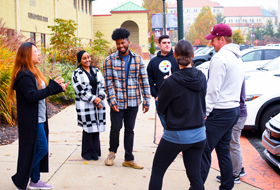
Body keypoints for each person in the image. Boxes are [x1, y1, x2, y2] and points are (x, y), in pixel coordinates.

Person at [8, 42, 68, 190]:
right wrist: (51, 88)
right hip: (31, 120)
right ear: (27, 54)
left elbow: (40, 94)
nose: (39, 53)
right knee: (41, 149)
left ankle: (35, 180)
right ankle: (21, 177)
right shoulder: (24, 75)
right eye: (36, 51)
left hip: (39, 118)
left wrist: (56, 89)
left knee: (36, 149)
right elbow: (32, 96)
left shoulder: (32, 71)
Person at [149, 39, 207, 190]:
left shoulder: (170, 82)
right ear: (193, 54)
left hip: (177, 134)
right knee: (195, 176)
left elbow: (160, 108)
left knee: (157, 172)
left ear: (174, 55)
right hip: (199, 134)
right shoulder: (201, 76)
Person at [198, 23, 244, 190]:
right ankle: (227, 186)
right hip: (233, 110)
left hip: (220, 112)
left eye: (213, 40)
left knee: (203, 150)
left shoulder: (219, 58)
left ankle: (196, 187)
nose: (211, 43)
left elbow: (213, 90)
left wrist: (205, 112)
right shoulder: (238, 57)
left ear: (222, 39)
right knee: (223, 151)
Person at [103, 28, 151, 169]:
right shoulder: (109, 60)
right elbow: (108, 83)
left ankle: (129, 158)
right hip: (117, 102)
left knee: (130, 130)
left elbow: (144, 81)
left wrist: (146, 100)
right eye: (118, 44)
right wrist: (112, 101)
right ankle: (112, 153)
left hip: (133, 101)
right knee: (115, 128)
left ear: (128, 42)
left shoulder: (137, 59)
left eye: (123, 43)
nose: (120, 46)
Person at [72, 50, 106, 161]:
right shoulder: (77, 73)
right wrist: (94, 99)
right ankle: (87, 153)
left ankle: (95, 152)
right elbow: (80, 91)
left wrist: (100, 98)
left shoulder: (96, 70)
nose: (87, 60)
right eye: (84, 58)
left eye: (88, 57)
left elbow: (102, 85)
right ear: (80, 60)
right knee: (88, 129)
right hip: (85, 105)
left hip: (98, 104)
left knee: (96, 128)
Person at [216, 80, 247, 184]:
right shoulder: (238, 73)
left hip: (237, 112)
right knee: (233, 143)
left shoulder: (235, 75)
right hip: (238, 112)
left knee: (233, 144)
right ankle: (239, 168)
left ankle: (235, 174)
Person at [147, 35, 179, 130]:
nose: (167, 45)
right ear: (159, 45)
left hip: (177, 97)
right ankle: (170, 142)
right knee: (167, 126)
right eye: (164, 43)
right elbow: (149, 80)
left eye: (169, 42)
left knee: (177, 124)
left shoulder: (177, 60)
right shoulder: (153, 62)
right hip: (161, 98)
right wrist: (155, 95)